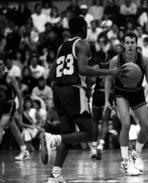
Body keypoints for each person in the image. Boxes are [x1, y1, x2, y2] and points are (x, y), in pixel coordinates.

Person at [39, 16, 126, 183]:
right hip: (72, 90)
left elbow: (52, 74)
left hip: (57, 90)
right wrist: (111, 72)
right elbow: (84, 69)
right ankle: (52, 139)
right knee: (91, 133)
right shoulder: (82, 44)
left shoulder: (61, 46)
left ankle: (55, 176)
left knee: (69, 134)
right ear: (84, 28)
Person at [104, 32, 148, 176]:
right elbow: (109, 80)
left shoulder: (144, 60)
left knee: (147, 126)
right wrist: (106, 101)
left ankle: (135, 154)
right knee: (126, 124)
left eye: (132, 42)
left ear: (136, 44)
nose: (130, 45)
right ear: (123, 44)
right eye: (127, 42)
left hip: (137, 93)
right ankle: (124, 162)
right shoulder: (116, 60)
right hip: (121, 93)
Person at [0, 56, 30, 160]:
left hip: (10, 104)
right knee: (13, 128)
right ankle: (24, 150)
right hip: (1, 105)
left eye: (1, 64)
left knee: (1, 126)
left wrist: (21, 105)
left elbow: (18, 91)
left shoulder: (9, 77)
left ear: (3, 66)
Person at [88, 51, 112, 160]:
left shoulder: (96, 66)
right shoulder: (112, 66)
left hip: (97, 93)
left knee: (94, 121)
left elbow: (91, 82)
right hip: (108, 95)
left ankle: (93, 146)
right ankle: (101, 144)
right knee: (105, 121)